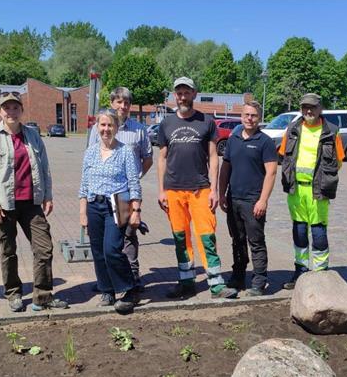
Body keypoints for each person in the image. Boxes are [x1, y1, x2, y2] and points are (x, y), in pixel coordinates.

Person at [0, 92, 68, 312]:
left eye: (15, 108)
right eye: (6, 108)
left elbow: (44, 167)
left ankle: (43, 296)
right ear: (0, 111)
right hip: (4, 205)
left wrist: (48, 195)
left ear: (21, 110)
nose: (11, 112)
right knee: (8, 250)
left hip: (31, 203)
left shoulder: (32, 135)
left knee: (44, 248)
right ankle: (13, 293)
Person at [157, 77, 238, 300]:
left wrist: (214, 189)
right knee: (180, 238)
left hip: (200, 189)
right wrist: (161, 190)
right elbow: (161, 158)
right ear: (175, 96)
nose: (183, 96)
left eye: (187, 92)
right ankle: (186, 282)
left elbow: (214, 157)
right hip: (173, 190)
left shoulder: (207, 122)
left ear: (194, 94)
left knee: (207, 236)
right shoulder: (167, 124)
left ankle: (216, 284)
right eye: (179, 93)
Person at [87, 87, 152, 291]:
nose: (123, 106)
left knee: (129, 235)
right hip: (102, 195)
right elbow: (92, 157)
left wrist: (133, 178)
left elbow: (148, 158)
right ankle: (107, 282)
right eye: (119, 102)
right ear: (112, 103)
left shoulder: (139, 129)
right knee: (107, 244)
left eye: (126, 103)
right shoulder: (100, 128)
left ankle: (133, 277)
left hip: (126, 193)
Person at [278, 93, 344, 289]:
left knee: (318, 231)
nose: (308, 111)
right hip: (296, 190)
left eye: (312, 107)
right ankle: (300, 271)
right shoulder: (292, 129)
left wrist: (322, 179)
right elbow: (284, 156)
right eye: (305, 107)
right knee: (299, 231)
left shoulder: (331, 131)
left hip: (318, 191)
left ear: (320, 108)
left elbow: (338, 161)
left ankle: (321, 272)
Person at [79, 110, 142, 313]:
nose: (106, 130)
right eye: (102, 125)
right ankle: (107, 290)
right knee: (97, 250)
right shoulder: (90, 152)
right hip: (93, 205)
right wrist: (82, 211)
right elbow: (84, 184)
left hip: (117, 205)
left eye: (110, 126)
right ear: (97, 127)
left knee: (112, 249)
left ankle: (129, 288)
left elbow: (134, 183)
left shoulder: (125, 151)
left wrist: (136, 210)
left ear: (116, 128)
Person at [218, 101, 277, 296]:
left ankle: (259, 281)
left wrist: (263, 200)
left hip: (253, 201)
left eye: (253, 115)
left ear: (259, 118)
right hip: (234, 199)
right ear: (241, 116)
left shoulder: (265, 142)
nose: (249, 119)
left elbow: (271, 173)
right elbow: (225, 168)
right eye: (246, 115)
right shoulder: (233, 139)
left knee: (256, 242)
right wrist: (221, 193)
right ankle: (238, 276)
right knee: (237, 240)